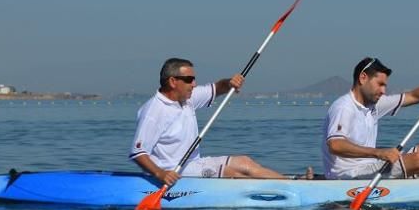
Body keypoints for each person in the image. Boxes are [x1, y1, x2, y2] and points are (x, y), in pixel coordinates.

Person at [131, 57, 310, 185]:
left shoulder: (187, 98)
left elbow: (218, 88)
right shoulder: (153, 111)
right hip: (175, 172)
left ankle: (292, 182)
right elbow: (138, 152)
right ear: (172, 81)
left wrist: (230, 82)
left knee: (245, 162)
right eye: (189, 79)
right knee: (236, 172)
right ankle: (295, 186)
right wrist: (161, 173)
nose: (194, 84)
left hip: (193, 165)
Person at [321, 56, 419, 180]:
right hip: (347, 175)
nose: (383, 90)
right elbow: (335, 145)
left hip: (370, 168)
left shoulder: (374, 104)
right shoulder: (344, 107)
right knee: (417, 160)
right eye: (380, 84)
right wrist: (379, 152)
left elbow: (415, 96)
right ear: (363, 78)